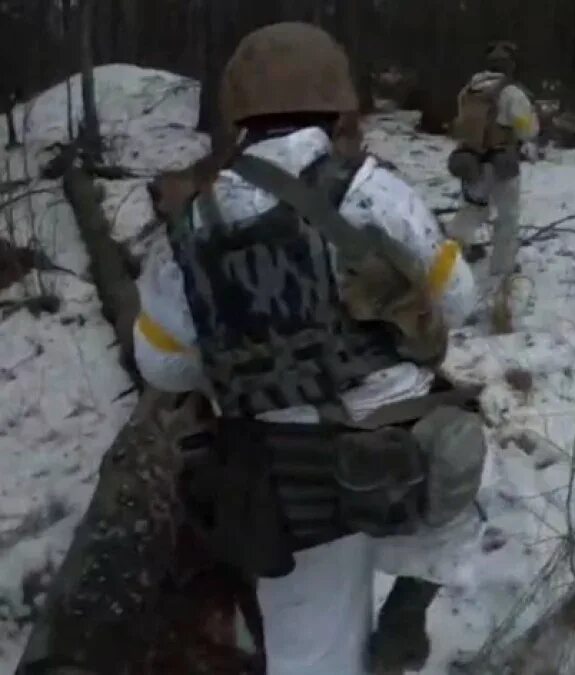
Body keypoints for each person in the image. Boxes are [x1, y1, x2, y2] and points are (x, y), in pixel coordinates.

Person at [134, 22, 485, 675]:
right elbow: (458, 299)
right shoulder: (374, 189)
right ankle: (410, 601)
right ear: (337, 103)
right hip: (395, 448)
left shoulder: (194, 215)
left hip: (281, 472)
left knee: (308, 654)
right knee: (456, 453)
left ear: (238, 112)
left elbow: (160, 361)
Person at [446, 40, 540, 281]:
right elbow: (526, 130)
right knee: (507, 216)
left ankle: (447, 260)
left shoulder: (468, 90)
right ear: (509, 66)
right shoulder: (511, 92)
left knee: (471, 211)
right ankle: (503, 268)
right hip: (502, 163)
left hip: (472, 161)